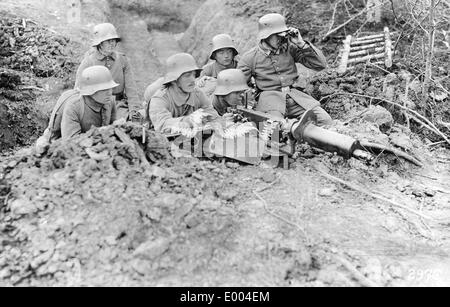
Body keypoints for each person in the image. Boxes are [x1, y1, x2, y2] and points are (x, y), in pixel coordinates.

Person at [237, 13, 332, 127]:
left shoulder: (290, 48)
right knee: (272, 132)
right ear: (266, 36)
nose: (281, 39)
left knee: (325, 121)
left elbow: (320, 65)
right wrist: (250, 105)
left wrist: (301, 43)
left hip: (296, 98)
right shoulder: (250, 58)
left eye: (283, 35)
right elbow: (239, 86)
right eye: (277, 35)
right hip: (270, 103)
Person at [75, 23, 141, 121]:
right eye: (108, 41)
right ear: (100, 43)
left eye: (113, 40)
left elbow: (131, 89)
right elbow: (78, 89)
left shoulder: (122, 60)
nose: (112, 44)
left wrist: (134, 110)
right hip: (95, 106)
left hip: (118, 105)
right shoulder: (89, 61)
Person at [149, 53, 219, 134]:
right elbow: (162, 125)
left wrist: (223, 120)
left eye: (193, 75)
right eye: (187, 75)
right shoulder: (160, 99)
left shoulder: (198, 93)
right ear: (174, 80)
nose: (193, 79)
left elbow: (213, 116)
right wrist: (188, 120)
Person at [62, 66, 119, 139]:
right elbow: (70, 143)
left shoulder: (110, 101)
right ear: (91, 91)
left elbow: (114, 129)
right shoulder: (74, 107)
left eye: (110, 88)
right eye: (104, 90)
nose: (110, 93)